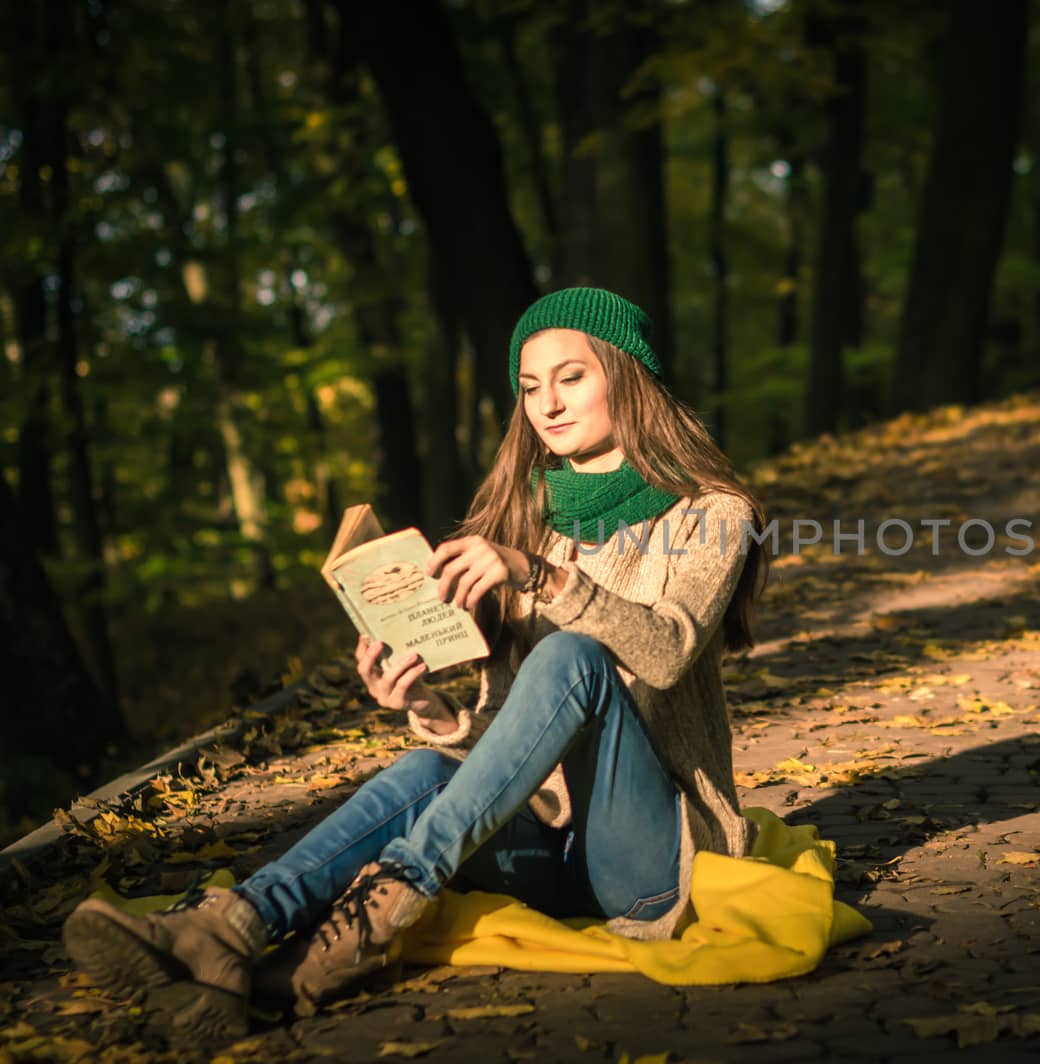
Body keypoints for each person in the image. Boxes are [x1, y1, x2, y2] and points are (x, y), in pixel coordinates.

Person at [62, 287, 771, 1038]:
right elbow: (515, 731)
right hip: (550, 862)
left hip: (654, 864)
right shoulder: (530, 518)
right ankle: (232, 931)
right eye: (530, 387)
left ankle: (394, 894)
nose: (547, 406)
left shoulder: (713, 513)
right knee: (427, 776)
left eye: (571, 377)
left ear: (627, 375)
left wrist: (542, 578)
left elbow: (665, 652)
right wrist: (432, 714)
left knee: (571, 654)